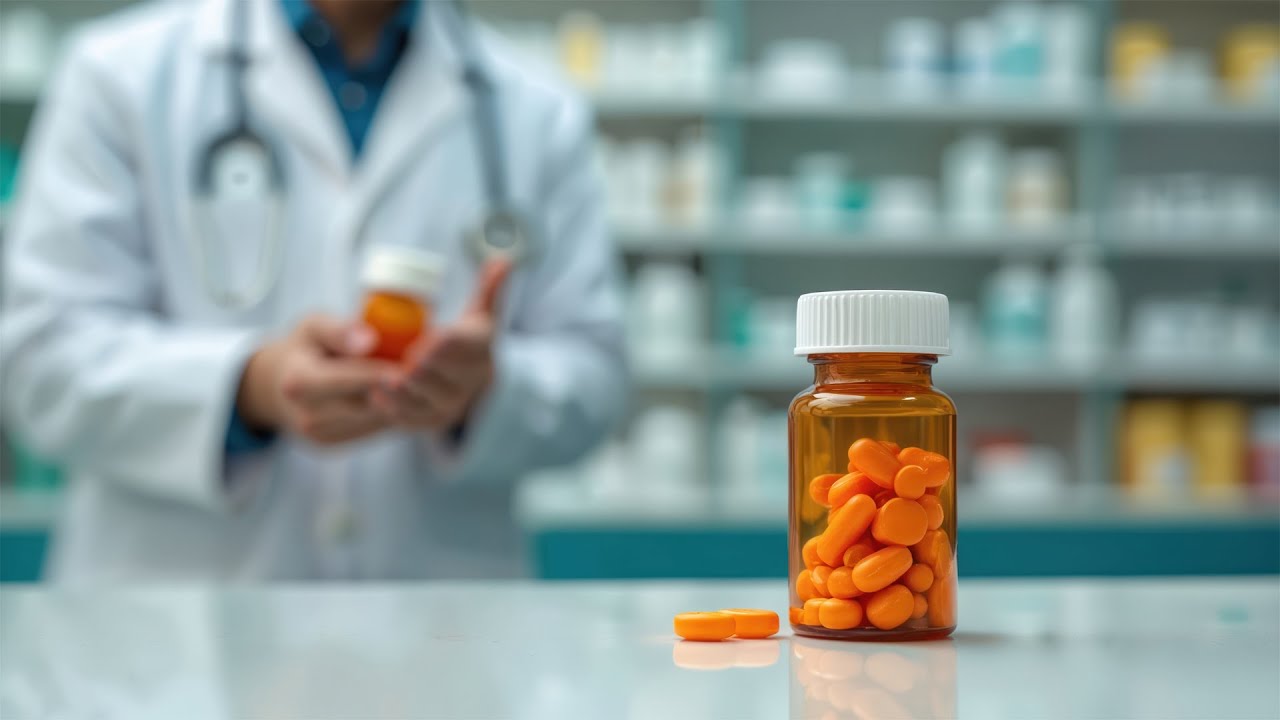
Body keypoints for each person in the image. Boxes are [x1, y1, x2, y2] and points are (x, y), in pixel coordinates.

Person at [0, 0, 625, 582]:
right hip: (177, 642)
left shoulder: (535, 108)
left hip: (441, 631)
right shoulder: (121, 75)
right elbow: (40, 361)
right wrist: (248, 386)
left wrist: (482, 393)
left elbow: (597, 379)